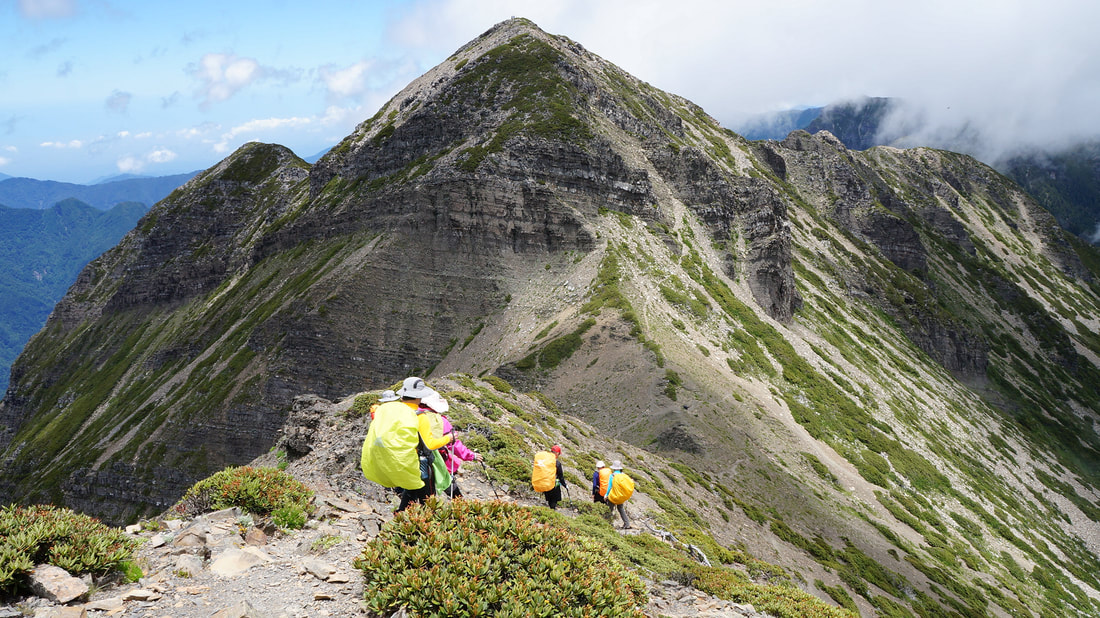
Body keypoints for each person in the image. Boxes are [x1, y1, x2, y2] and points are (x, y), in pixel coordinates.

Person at [393, 377, 453, 512]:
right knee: (427, 502)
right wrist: (449, 438)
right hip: (417, 464)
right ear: (419, 397)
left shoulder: (396, 412)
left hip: (398, 462)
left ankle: (400, 523)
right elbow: (430, 444)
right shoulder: (420, 417)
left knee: (409, 497)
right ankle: (424, 527)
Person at [422, 393, 482, 498]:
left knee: (419, 493)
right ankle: (461, 508)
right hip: (436, 459)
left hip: (412, 459)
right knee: (450, 486)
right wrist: (472, 456)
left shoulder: (412, 415)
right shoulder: (440, 421)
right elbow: (454, 445)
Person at [607, 460, 632, 529]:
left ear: (614, 468)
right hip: (621, 496)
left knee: (609, 509)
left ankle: (607, 523)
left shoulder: (612, 475)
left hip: (613, 496)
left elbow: (609, 487)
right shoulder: (623, 475)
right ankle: (627, 523)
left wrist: (606, 495)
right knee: (620, 508)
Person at [543, 444, 567, 509]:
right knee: (553, 502)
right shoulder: (557, 463)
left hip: (546, 484)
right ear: (557, 453)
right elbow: (560, 476)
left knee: (549, 500)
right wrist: (565, 485)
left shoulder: (545, 461)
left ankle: (549, 513)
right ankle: (551, 514)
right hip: (554, 485)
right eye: (558, 453)